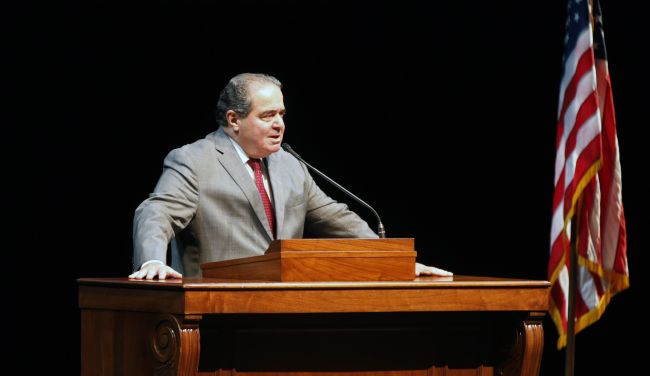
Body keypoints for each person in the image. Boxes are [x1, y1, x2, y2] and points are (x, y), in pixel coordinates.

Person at [129, 73, 451, 280]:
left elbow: (337, 218)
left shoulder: (289, 165)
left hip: (281, 314)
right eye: (267, 115)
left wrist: (394, 263)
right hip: (218, 318)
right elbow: (155, 213)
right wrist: (151, 262)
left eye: (281, 114)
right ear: (233, 119)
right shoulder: (194, 161)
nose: (279, 124)